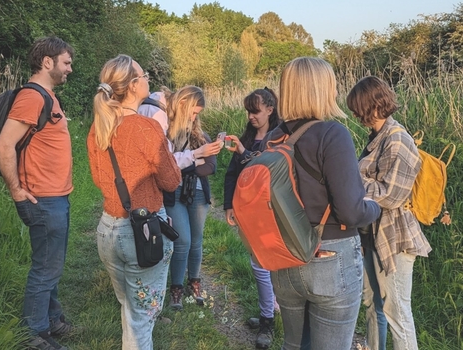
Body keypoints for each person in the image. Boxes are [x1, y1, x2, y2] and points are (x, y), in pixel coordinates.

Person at [259, 57, 381, 350]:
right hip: (330, 255)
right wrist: (374, 206)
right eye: (332, 85)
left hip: (284, 256)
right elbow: (351, 211)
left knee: (294, 344)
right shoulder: (331, 134)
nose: (336, 91)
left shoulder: (274, 139)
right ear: (320, 89)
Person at [86, 54, 181, 349]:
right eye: (144, 76)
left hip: (107, 230)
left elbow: (99, 180)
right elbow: (171, 181)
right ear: (133, 85)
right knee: (141, 319)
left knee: (129, 307)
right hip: (143, 232)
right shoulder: (145, 128)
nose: (148, 80)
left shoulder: (98, 128)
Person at [0, 36, 74, 350]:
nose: (70, 69)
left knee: (52, 263)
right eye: (66, 62)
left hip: (57, 196)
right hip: (42, 199)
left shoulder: (48, 96)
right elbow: (4, 145)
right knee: (46, 267)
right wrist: (15, 190)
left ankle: (52, 320)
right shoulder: (32, 97)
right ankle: (34, 335)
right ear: (47, 62)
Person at [346, 76, 432, 350]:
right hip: (373, 234)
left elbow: (392, 195)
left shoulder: (398, 139)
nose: (356, 114)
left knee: (397, 312)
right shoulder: (377, 136)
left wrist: (349, 179)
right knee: (374, 304)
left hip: (395, 238)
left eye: (358, 107)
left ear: (373, 104)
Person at [150, 86, 221, 310]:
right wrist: (194, 160)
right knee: (182, 241)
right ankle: (177, 288)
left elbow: (210, 167)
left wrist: (184, 164)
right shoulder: (166, 131)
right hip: (173, 194)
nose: (194, 117)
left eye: (197, 113)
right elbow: (165, 167)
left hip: (198, 193)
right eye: (192, 112)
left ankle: (195, 282)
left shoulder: (201, 136)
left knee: (196, 242)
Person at [223, 87, 281, 350]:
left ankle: (268, 322)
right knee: (260, 266)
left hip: (271, 213)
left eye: (255, 111)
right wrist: (228, 205)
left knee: (264, 267)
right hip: (249, 211)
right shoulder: (247, 135)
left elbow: (262, 169)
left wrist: (243, 151)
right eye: (248, 111)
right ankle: (270, 312)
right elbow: (233, 174)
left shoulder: (278, 138)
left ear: (270, 109)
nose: (250, 116)